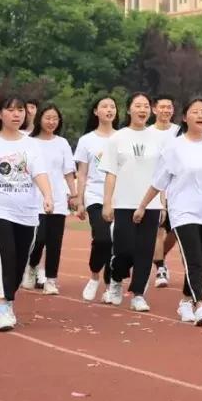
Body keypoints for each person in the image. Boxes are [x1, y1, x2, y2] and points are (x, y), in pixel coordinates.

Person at [137, 97, 202, 326]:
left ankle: (185, 300)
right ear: (185, 117)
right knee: (193, 258)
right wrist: (143, 206)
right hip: (183, 210)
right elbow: (159, 181)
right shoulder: (174, 147)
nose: (200, 115)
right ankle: (200, 303)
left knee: (200, 259)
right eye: (195, 112)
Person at [0, 96, 54, 331]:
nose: (16, 114)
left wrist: (47, 196)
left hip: (27, 210)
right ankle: (2, 306)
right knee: (4, 256)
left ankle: (7, 300)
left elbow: (39, 172)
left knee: (18, 262)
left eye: (20, 110)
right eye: (10, 110)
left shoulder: (31, 144)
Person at [100, 93, 164, 311]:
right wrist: (107, 202)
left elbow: (162, 176)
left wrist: (162, 203)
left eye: (146, 105)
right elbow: (110, 173)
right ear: (128, 110)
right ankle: (116, 279)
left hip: (150, 204)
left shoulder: (158, 139)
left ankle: (138, 294)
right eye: (138, 106)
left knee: (146, 251)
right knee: (125, 249)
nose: (142, 110)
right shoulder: (117, 138)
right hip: (123, 203)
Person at [22, 104, 76, 296]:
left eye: (55, 118)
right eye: (48, 118)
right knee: (39, 237)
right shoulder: (29, 142)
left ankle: (51, 279)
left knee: (55, 241)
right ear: (39, 119)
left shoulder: (62, 143)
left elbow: (68, 171)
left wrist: (74, 194)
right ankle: (33, 264)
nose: (51, 122)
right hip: (33, 198)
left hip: (58, 198)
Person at [74, 96, 119, 302]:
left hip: (119, 197)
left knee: (115, 243)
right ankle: (94, 276)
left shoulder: (122, 137)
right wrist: (80, 201)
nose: (109, 110)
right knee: (102, 238)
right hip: (95, 195)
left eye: (112, 107)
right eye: (104, 106)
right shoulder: (87, 140)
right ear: (95, 111)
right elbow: (82, 173)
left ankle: (110, 286)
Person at [150, 95, 179, 288]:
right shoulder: (147, 132)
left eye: (169, 107)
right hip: (155, 187)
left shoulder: (179, 132)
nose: (166, 110)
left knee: (177, 230)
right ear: (154, 110)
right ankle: (160, 268)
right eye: (162, 107)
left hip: (177, 188)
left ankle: (158, 256)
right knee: (158, 230)